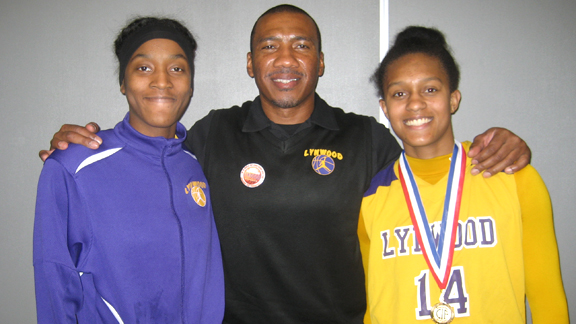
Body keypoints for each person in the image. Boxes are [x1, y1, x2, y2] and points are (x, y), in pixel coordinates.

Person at [39, 5, 531, 323]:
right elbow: (149, 153)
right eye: (269, 46)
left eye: (302, 45)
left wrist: (498, 148)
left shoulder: (366, 138)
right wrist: (81, 145)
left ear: (320, 62)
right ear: (251, 64)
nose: (285, 58)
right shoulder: (212, 135)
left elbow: (434, 183)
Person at [359, 26, 568, 323]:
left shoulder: (513, 177)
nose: (415, 103)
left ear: (453, 99)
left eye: (430, 89)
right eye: (399, 93)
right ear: (385, 108)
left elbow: (549, 302)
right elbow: (373, 306)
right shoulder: (371, 197)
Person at [33, 17, 224, 323]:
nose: (162, 81)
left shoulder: (194, 165)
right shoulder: (74, 165)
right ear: (123, 82)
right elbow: (54, 277)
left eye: (177, 68)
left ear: (190, 84)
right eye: (143, 67)